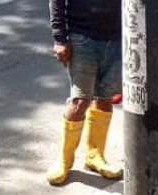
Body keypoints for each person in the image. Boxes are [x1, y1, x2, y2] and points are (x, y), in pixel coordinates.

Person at [46, 0, 122, 184]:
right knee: (80, 101)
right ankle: (64, 160)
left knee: (105, 98)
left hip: (119, 39)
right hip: (82, 38)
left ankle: (95, 155)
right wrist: (60, 38)